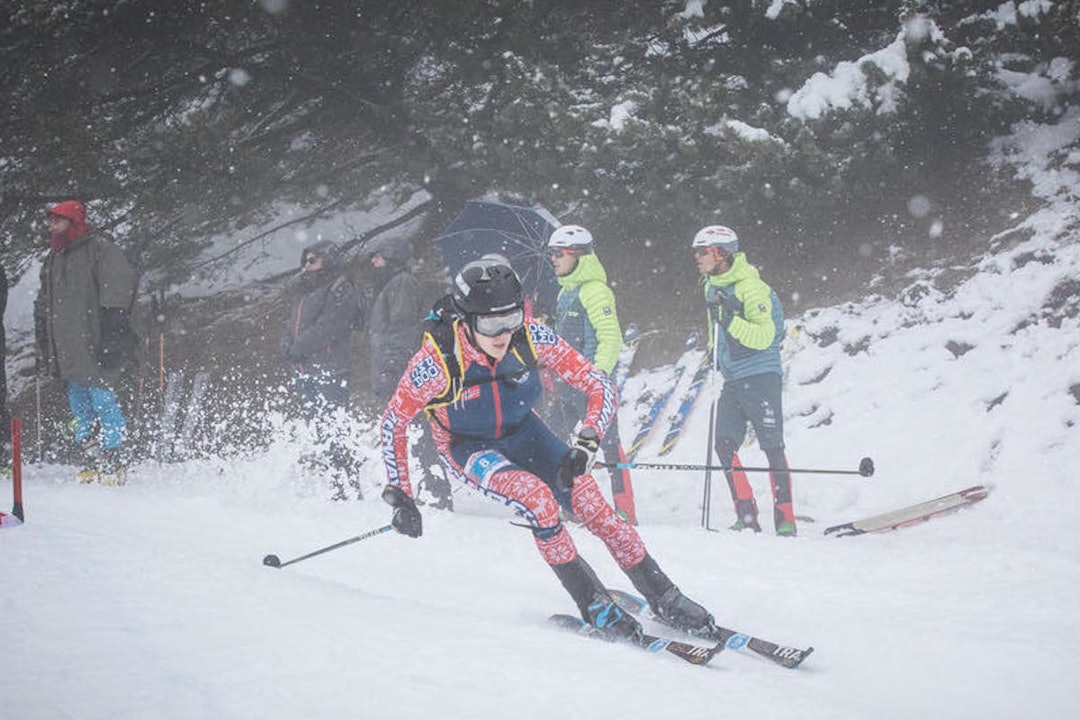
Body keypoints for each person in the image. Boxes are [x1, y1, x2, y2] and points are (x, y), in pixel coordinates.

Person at [378, 255, 715, 639]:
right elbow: (394, 422)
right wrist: (402, 494)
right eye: (491, 323)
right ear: (466, 320)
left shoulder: (532, 336)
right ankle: (592, 602)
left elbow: (599, 386)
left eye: (512, 317)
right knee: (538, 501)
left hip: (525, 433)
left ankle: (664, 594)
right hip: (467, 445)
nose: (504, 333)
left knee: (595, 509)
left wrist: (587, 445)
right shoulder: (437, 362)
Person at [692, 225, 796, 536]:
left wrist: (730, 320)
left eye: (702, 252)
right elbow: (718, 329)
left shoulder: (752, 287)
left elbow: (765, 337)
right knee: (724, 444)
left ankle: (786, 517)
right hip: (733, 377)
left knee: (772, 445)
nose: (696, 258)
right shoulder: (711, 286)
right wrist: (713, 350)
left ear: (720, 253)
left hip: (761, 374)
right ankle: (747, 515)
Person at [34, 200, 137, 484]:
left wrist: (114, 332)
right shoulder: (55, 257)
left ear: (74, 222)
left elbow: (118, 287)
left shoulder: (100, 249)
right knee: (80, 404)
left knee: (103, 399)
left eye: (57, 220)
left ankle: (115, 460)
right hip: (67, 346)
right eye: (50, 220)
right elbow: (44, 301)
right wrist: (42, 336)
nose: (51, 225)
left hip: (94, 339)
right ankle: (91, 459)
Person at [545, 224, 636, 523]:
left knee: (608, 444)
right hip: (566, 386)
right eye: (551, 254)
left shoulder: (596, 291)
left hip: (591, 387)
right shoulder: (566, 293)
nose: (553, 259)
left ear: (579, 255)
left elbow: (611, 338)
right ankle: (569, 503)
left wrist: (596, 380)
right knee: (553, 439)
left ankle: (625, 509)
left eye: (558, 254)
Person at [366, 236, 452, 510]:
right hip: (394, 367)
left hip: (403, 370)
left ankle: (436, 492)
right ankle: (426, 487)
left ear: (390, 256)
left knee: (419, 432)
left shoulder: (401, 283)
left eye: (378, 256)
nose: (373, 262)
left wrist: (392, 365)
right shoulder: (389, 286)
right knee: (410, 432)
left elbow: (403, 330)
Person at [279, 239, 361, 499]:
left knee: (334, 429)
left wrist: (299, 347)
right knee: (318, 429)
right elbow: (291, 325)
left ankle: (347, 486)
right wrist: (285, 344)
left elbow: (329, 327)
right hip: (305, 371)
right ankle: (336, 484)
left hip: (330, 369)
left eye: (313, 260)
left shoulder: (340, 288)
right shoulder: (305, 292)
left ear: (328, 260)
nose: (307, 266)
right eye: (306, 261)